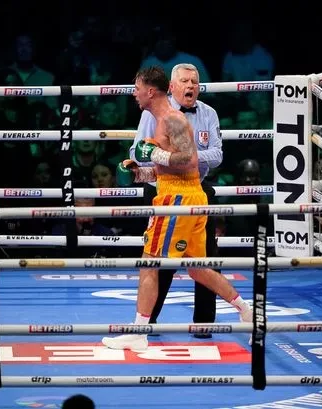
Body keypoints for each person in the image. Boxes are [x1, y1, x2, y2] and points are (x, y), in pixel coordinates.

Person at [102, 66, 252, 351]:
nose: (133, 94)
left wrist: (155, 153)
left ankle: (138, 332)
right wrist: (140, 171)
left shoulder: (173, 120)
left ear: (150, 91)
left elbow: (190, 161)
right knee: (198, 269)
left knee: (149, 264)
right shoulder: (159, 120)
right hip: (187, 196)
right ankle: (246, 310)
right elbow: (166, 170)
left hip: (177, 201)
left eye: (137, 88)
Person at [129, 63, 223, 338]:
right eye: (184, 81)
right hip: (163, 188)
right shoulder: (157, 112)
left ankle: (204, 322)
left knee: (204, 257)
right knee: (160, 258)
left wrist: (182, 158)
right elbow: (137, 150)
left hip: (197, 188)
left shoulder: (208, 114)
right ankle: (148, 321)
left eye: (194, 81)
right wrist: (167, 159)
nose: (191, 86)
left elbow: (216, 155)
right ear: (172, 86)